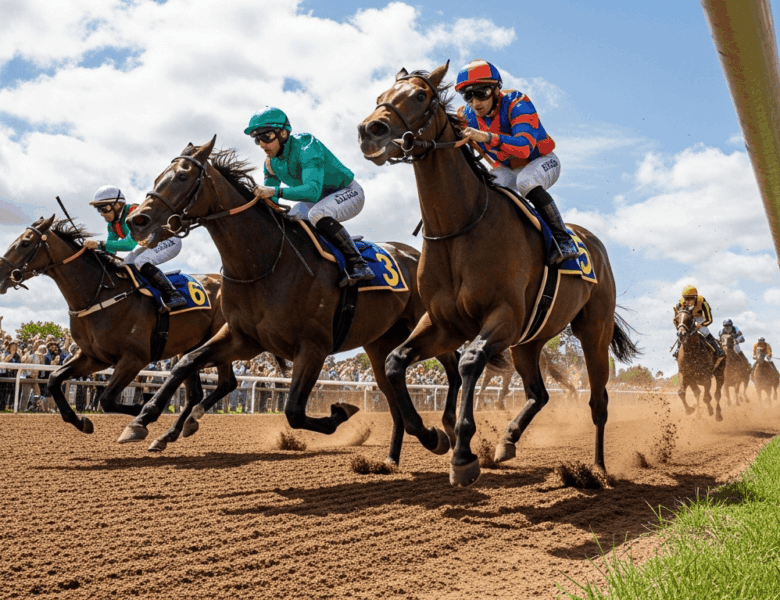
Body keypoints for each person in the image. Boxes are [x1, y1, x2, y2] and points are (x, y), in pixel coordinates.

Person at [454, 59, 578, 265]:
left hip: (541, 160)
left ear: (495, 90)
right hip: (506, 169)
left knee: (526, 182)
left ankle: (563, 240)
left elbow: (524, 147)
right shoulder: (464, 115)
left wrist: (486, 137)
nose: (475, 102)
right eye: (468, 95)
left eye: (481, 93)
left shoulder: (517, 102)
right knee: (486, 190)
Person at [246, 107, 374, 287]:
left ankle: (359, 263)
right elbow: (272, 203)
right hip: (318, 201)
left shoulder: (307, 146)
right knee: (291, 218)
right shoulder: (270, 163)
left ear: (283, 133)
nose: (262, 144)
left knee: (317, 214)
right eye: (257, 139)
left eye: (266, 136)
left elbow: (312, 191)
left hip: (348, 192)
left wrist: (275, 191)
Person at [84, 185, 187, 312]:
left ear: (118, 205)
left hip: (170, 240)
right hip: (152, 244)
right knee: (124, 264)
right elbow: (110, 251)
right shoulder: (112, 226)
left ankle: (174, 294)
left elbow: (129, 244)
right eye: (98, 210)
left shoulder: (135, 213)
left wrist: (99, 244)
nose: (101, 213)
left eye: (104, 208)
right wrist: (93, 254)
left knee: (141, 261)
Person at [672, 285, 724, 362]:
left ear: (695, 298)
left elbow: (709, 319)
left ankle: (717, 349)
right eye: (686, 299)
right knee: (682, 333)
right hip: (687, 319)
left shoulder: (702, 302)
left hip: (699, 318)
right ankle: (677, 350)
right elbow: (677, 319)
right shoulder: (680, 304)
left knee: (705, 331)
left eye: (691, 299)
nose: (688, 302)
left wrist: (702, 325)